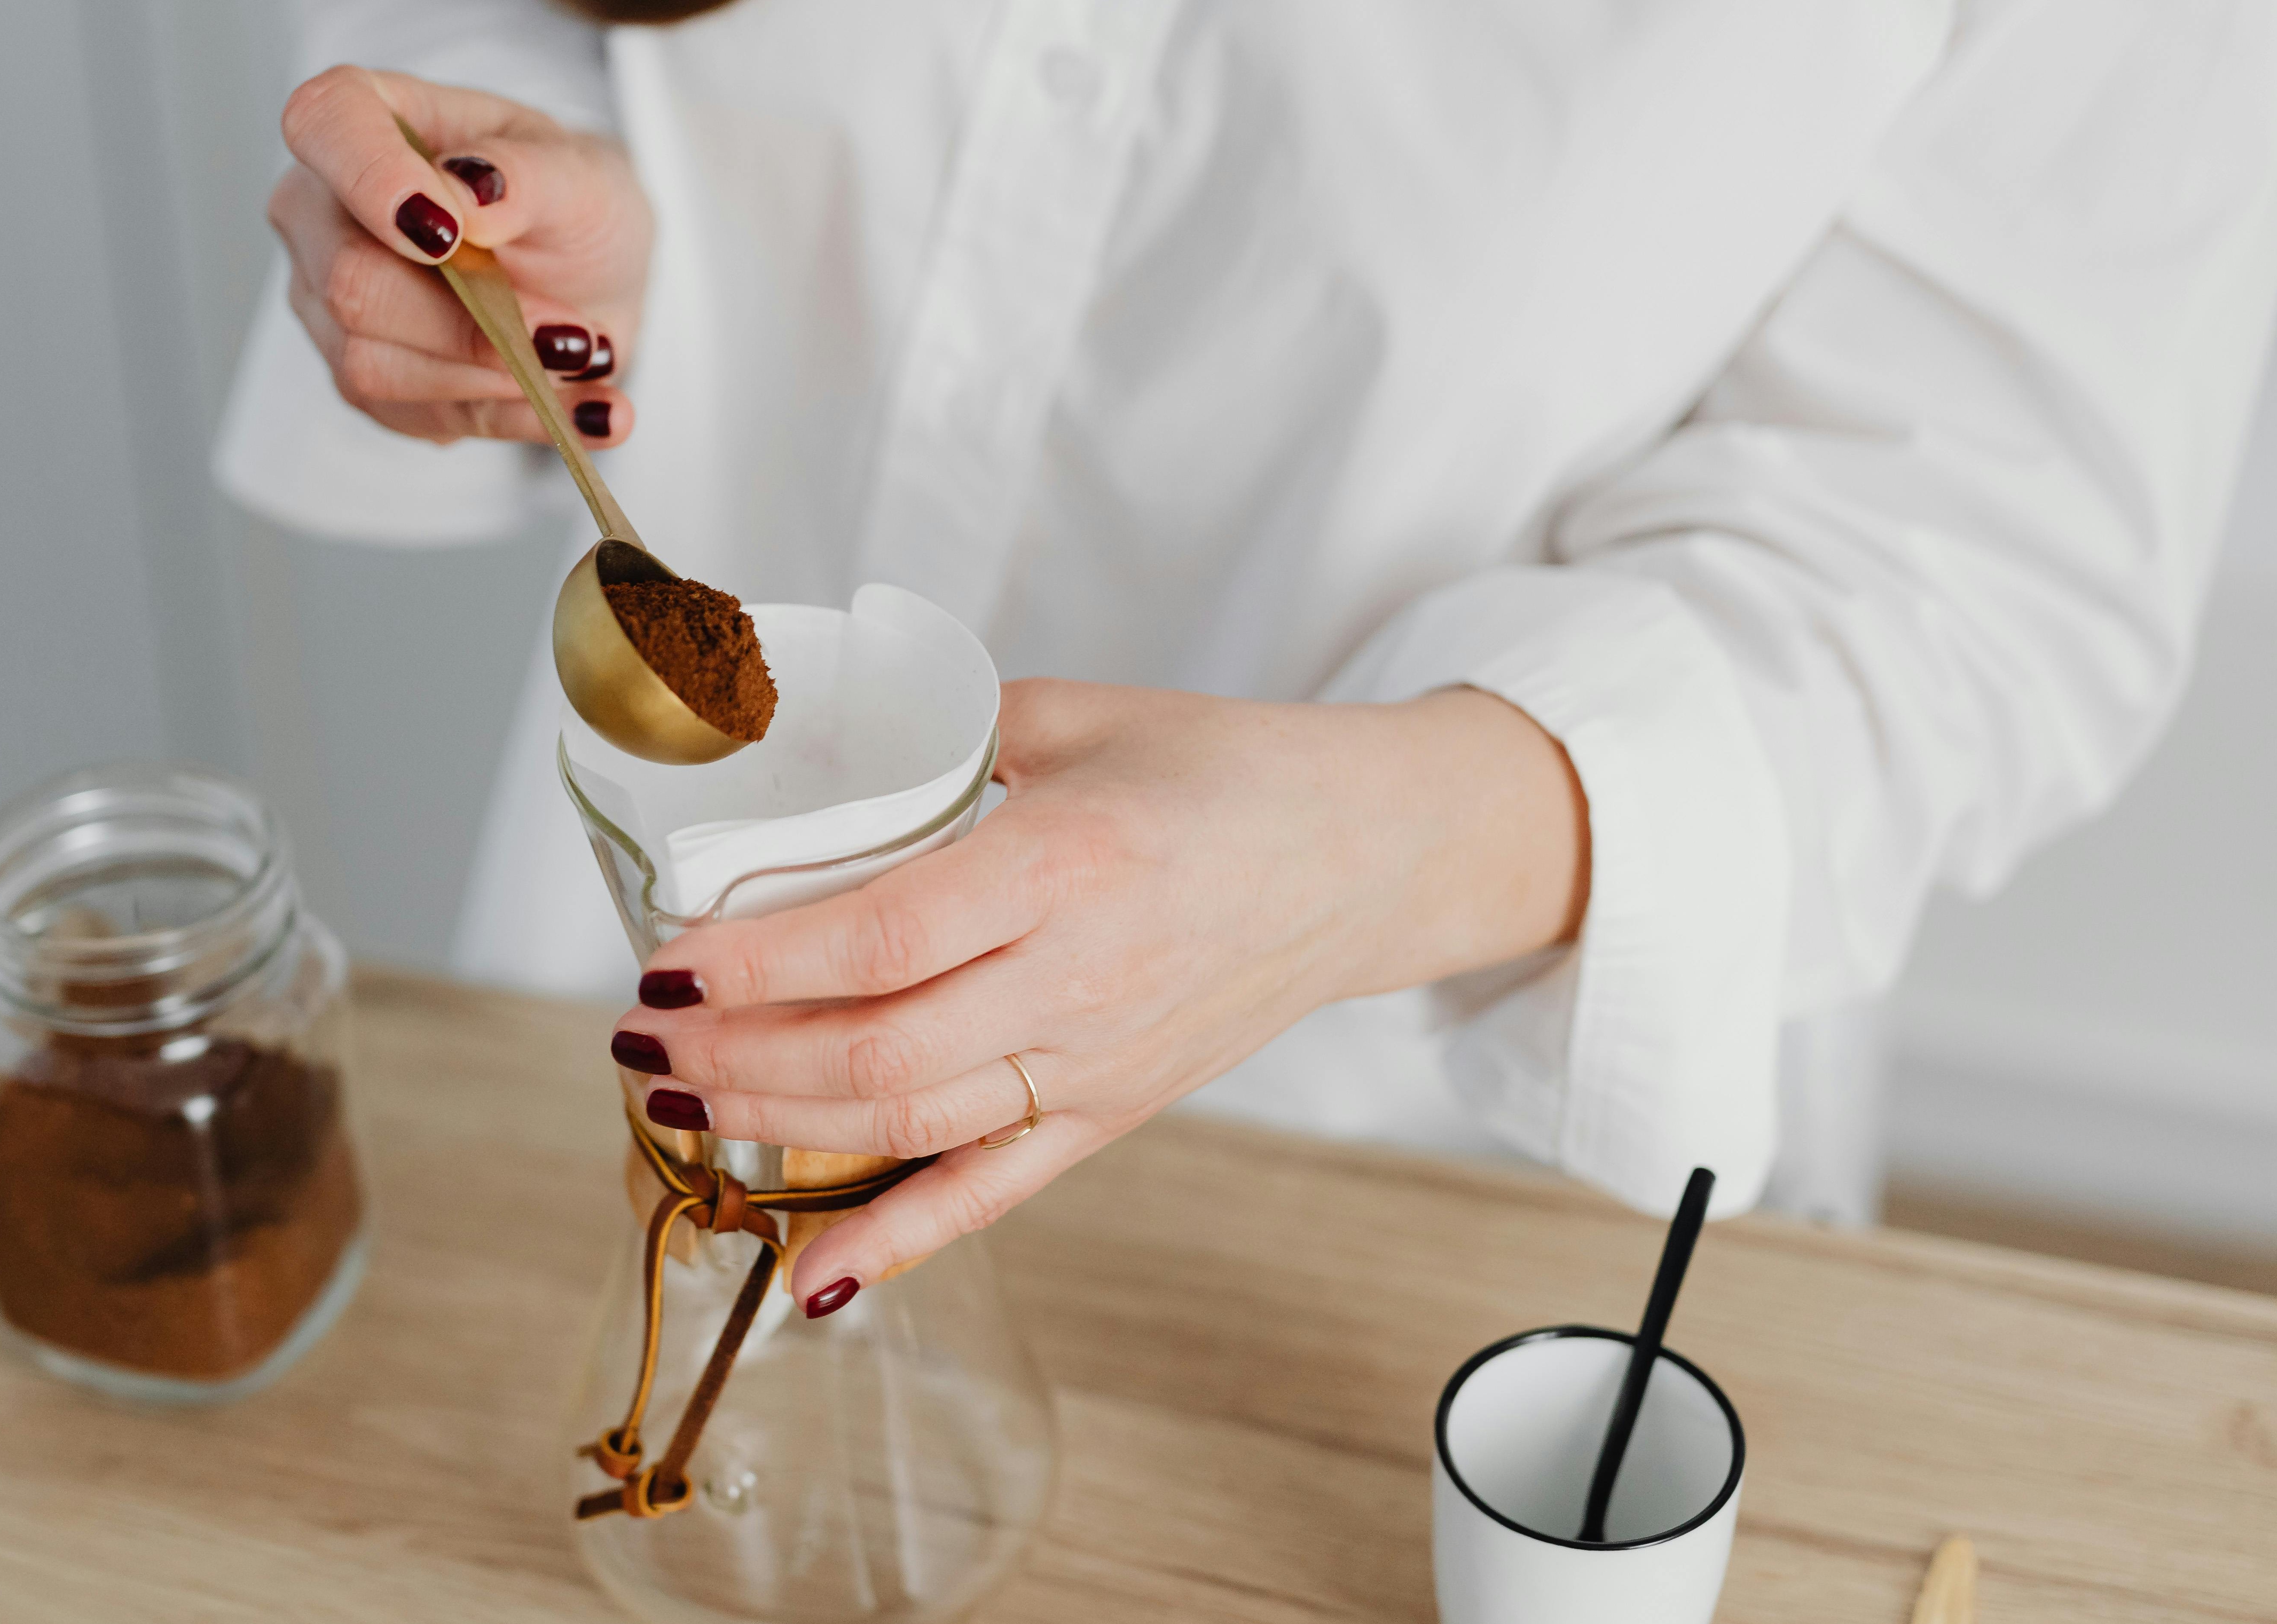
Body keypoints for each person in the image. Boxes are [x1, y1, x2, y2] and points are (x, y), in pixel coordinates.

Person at [216, 0, 2277, 1317]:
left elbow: (1981, 566)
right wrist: (530, 225)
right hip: (677, 990)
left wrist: (1363, 860)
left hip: (1404, 1163)